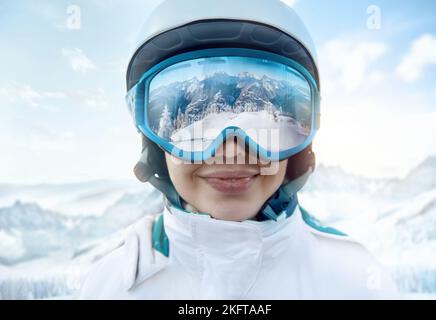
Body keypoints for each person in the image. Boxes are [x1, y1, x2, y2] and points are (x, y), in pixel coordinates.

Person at [78, 0, 399, 299]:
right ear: (153, 143)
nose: (231, 149)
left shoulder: (355, 280)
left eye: (267, 129)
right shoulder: (111, 285)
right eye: (193, 131)